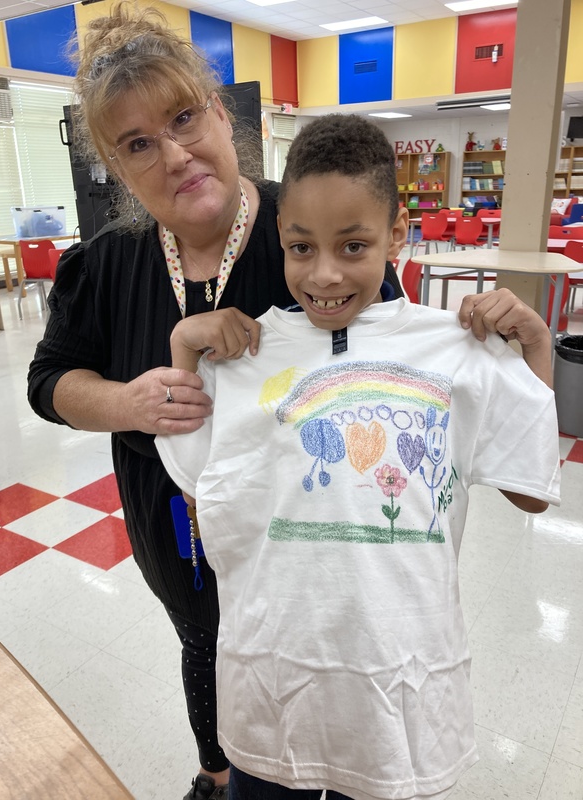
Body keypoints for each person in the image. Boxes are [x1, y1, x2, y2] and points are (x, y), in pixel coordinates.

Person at [27, 5, 402, 799]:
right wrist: (128, 402)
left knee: (312, 657)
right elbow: (49, 382)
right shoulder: (106, 265)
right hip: (176, 521)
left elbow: (392, 364)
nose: (174, 153)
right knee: (204, 640)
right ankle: (215, 769)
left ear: (222, 114)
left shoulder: (312, 233)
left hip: (307, 531)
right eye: (137, 144)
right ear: (116, 168)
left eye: (183, 117)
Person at [155, 113, 561, 800]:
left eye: (353, 245)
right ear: (280, 239)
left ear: (397, 237)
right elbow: (201, 490)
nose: (324, 274)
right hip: (272, 684)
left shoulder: (453, 347)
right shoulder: (249, 351)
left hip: (395, 690)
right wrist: (184, 345)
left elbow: (530, 489)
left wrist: (537, 352)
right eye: (301, 247)